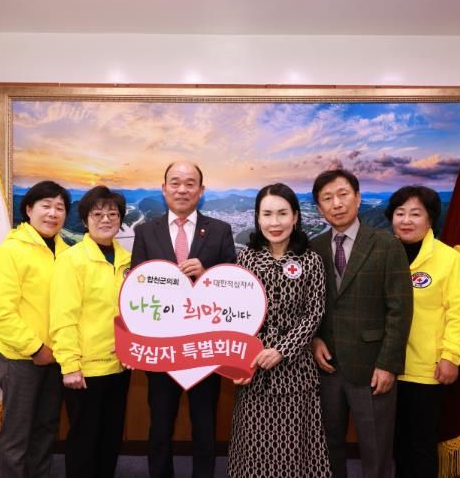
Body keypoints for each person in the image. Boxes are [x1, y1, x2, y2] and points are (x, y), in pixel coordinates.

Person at [130, 160, 236, 478]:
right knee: (160, 426)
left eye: (190, 183)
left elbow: (232, 286)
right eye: (175, 182)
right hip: (161, 347)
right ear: (164, 189)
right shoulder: (145, 231)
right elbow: (135, 287)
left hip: (204, 347)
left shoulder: (220, 230)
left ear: (201, 191)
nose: (182, 189)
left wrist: (206, 275)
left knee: (205, 426)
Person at [309, 169, 413, 478]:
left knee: (376, 449)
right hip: (327, 368)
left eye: (343, 194)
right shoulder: (314, 248)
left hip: (372, 367)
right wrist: (314, 339)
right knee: (328, 447)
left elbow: (400, 310)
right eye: (327, 198)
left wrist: (388, 365)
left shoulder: (386, 244)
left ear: (357, 197)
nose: (336, 203)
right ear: (319, 208)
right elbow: (310, 305)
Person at [227, 183, 331, 477]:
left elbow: (314, 313)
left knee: (292, 447)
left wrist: (282, 350)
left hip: (295, 370)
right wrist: (241, 357)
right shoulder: (246, 258)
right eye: (267, 214)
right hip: (253, 367)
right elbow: (234, 311)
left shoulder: (310, 260)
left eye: (282, 213)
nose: (275, 222)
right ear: (257, 218)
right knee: (253, 447)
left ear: (295, 217)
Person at [384, 185, 460, 478]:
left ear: (430, 219)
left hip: (427, 370)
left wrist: (451, 357)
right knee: (396, 445)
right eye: (400, 213)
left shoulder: (449, 260)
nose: (406, 220)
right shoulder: (384, 254)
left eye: (415, 214)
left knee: (420, 444)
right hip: (387, 368)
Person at [0, 180, 70, 478]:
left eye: (60, 207)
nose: (53, 213)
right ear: (29, 209)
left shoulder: (67, 253)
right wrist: (35, 348)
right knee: (17, 432)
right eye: (46, 206)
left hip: (58, 356)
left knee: (46, 428)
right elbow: (0, 314)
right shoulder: (8, 252)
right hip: (22, 357)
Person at [49, 186, 132, 478]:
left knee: (111, 438)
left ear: (120, 219)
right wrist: (70, 365)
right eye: (97, 214)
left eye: (113, 214)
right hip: (85, 369)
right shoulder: (72, 260)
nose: (106, 219)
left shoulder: (127, 260)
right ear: (85, 220)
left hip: (120, 364)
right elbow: (63, 316)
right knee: (84, 440)